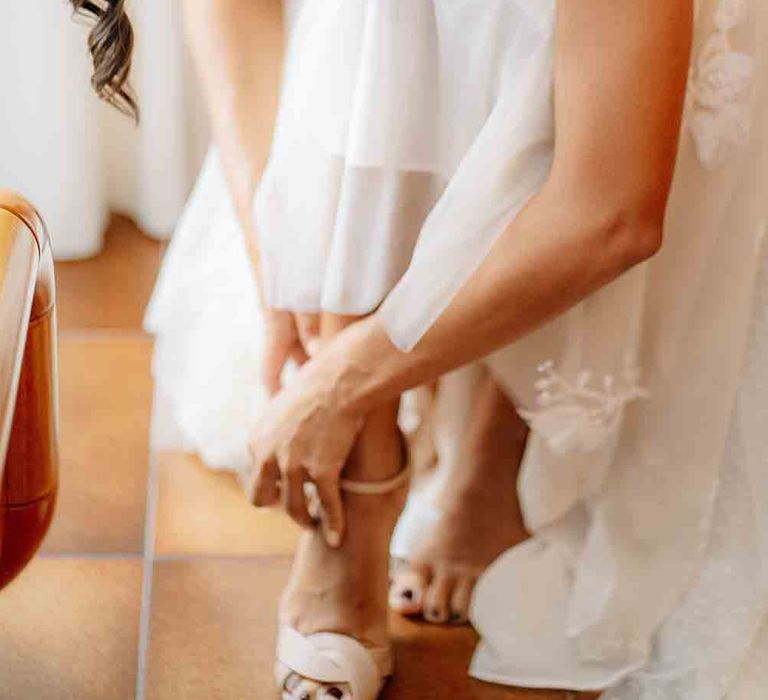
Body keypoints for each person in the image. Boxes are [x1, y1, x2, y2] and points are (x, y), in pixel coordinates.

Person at [75, 1, 768, 699]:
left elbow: (613, 211)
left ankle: (500, 435)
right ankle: (358, 486)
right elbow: (235, 12)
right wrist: (282, 268)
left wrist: (338, 383)